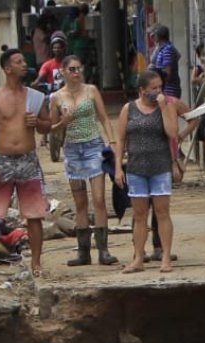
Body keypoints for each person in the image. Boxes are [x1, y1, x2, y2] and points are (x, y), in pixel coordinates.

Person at [0, 48, 52, 282]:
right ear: (7, 68)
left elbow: (48, 126)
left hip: (28, 159)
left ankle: (36, 263)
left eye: (24, 61)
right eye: (18, 62)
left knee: (35, 215)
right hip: (3, 160)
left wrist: (38, 122)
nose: (24, 65)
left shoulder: (35, 97)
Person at [51, 54, 117, 266]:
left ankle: (103, 250)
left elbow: (104, 117)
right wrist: (64, 120)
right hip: (72, 149)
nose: (76, 72)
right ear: (63, 72)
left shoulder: (91, 90)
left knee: (99, 199)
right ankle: (83, 252)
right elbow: (51, 130)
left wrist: (112, 142)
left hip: (93, 146)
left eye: (79, 68)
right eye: (72, 69)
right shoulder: (56, 97)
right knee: (80, 203)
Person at [115, 70, 177, 274]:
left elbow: (172, 133)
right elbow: (121, 139)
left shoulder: (166, 106)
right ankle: (138, 258)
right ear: (142, 90)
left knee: (162, 212)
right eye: (153, 88)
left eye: (160, 87)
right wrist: (118, 167)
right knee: (140, 215)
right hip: (136, 168)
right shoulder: (128, 109)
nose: (158, 91)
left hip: (160, 167)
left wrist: (163, 107)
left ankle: (166, 257)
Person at [149, 25, 182, 99]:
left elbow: (168, 72)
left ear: (158, 36)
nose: (154, 37)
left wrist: (161, 86)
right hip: (165, 89)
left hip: (169, 90)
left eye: (155, 35)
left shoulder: (167, 49)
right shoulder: (162, 48)